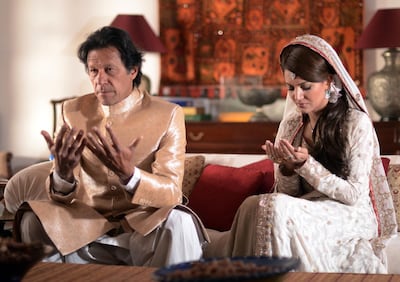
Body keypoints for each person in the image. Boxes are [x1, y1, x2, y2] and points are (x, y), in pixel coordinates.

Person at [5, 26, 208, 266]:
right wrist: (62, 173)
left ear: (133, 70)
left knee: (179, 222)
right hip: (86, 226)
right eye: (93, 70)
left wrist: (130, 175)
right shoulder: (72, 111)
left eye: (109, 70)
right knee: (32, 217)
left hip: (143, 228)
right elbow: (59, 196)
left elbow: (171, 193)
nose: (100, 80)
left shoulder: (168, 114)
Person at [222, 34, 398, 273]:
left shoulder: (355, 123)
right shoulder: (291, 125)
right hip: (306, 207)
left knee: (274, 208)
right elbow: (288, 194)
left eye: (306, 87)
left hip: (350, 214)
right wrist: (287, 168)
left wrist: (307, 166)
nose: (297, 96)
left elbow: (353, 195)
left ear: (328, 81)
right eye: (290, 88)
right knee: (254, 205)